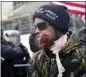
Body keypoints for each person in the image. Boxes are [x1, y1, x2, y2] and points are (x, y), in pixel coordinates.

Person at [28, 4, 86, 77]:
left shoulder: (82, 56)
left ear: (58, 27)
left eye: (41, 26)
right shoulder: (37, 58)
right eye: (35, 27)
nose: (36, 31)